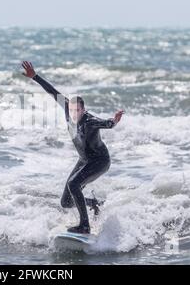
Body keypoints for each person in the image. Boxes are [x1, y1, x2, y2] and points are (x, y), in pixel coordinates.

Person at [21, 61, 124, 234]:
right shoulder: (67, 108)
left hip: (100, 161)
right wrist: (35, 77)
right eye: (72, 110)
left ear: (84, 110)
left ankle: (85, 226)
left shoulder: (90, 121)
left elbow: (107, 123)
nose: (74, 113)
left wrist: (114, 120)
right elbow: (52, 91)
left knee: (73, 184)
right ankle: (94, 204)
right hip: (84, 160)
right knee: (66, 202)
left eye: (78, 111)